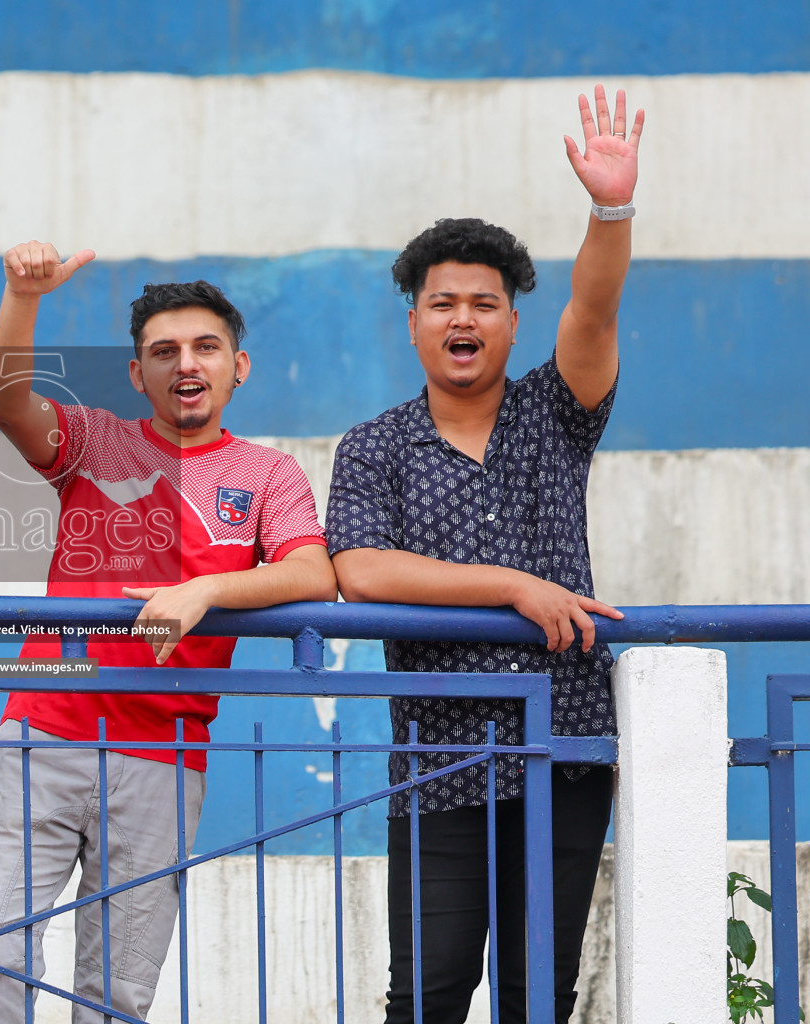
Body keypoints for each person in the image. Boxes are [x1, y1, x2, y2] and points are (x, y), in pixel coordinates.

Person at [0, 240, 337, 1023]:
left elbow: (312, 573)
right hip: (45, 728)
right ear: (138, 374)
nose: (185, 363)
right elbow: (4, 404)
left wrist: (206, 589)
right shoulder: (94, 440)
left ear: (240, 366)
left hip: (165, 754)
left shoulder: (270, 475)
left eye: (205, 347)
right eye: (163, 352)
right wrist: (23, 296)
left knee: (117, 995)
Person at [324, 86, 642, 1023]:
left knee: (538, 997)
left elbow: (592, 306)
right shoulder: (375, 445)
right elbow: (361, 570)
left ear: (510, 322)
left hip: (566, 749)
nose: (463, 318)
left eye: (485, 304)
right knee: (424, 996)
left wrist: (611, 208)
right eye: (442, 303)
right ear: (415, 322)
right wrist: (514, 585)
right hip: (440, 758)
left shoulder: (557, 411)